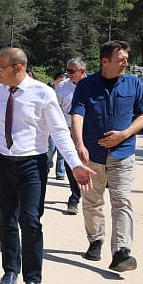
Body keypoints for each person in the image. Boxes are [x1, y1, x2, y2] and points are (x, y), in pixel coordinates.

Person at [0, 47, 94, 284]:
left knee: (31, 221)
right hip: (2, 162)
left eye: (1, 66)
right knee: (7, 220)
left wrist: (75, 163)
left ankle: (32, 280)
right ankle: (10, 270)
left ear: (18, 67)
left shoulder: (43, 93)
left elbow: (58, 131)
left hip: (32, 164)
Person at [70, 41, 143, 272]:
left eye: (126, 58)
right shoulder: (86, 85)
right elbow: (77, 114)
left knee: (122, 200)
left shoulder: (133, 84)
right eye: (121, 59)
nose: (125, 62)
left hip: (123, 155)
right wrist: (79, 144)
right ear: (105, 61)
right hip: (93, 156)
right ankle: (95, 240)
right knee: (92, 201)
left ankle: (121, 252)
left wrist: (124, 134)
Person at [56, 58, 88, 214]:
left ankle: (91, 196)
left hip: (89, 130)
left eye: (71, 71)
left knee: (91, 162)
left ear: (82, 71)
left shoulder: (93, 85)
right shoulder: (62, 87)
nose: (68, 74)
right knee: (72, 163)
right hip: (68, 129)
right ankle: (74, 197)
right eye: (67, 71)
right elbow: (56, 109)